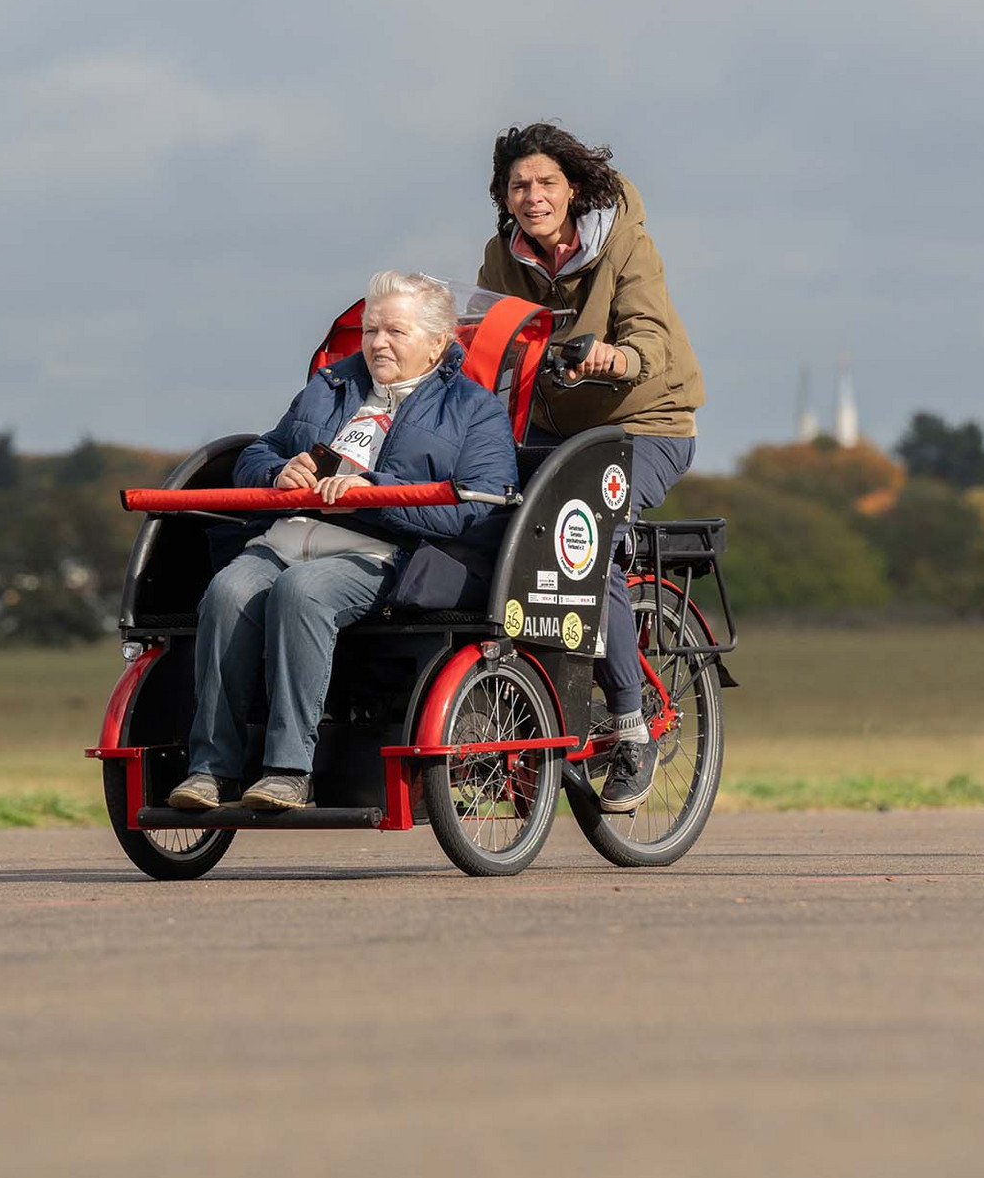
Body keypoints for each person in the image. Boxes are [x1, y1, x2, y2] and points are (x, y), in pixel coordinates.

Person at [168, 271, 518, 813]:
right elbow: (256, 454)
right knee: (227, 590)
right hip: (289, 535)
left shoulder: (475, 411)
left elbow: (481, 505)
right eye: (371, 329)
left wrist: (374, 491)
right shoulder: (328, 386)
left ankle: (288, 772)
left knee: (302, 592)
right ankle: (210, 771)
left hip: (380, 551)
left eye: (395, 332)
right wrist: (278, 472)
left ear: (438, 343)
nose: (378, 342)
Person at [478, 123, 704, 813]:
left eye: (546, 182)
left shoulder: (624, 241)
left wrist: (613, 357)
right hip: (555, 426)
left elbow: (653, 341)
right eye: (520, 184)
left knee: (586, 541)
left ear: (572, 188)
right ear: (505, 195)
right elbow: (490, 339)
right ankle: (520, 714)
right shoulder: (501, 256)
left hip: (645, 422)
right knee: (485, 526)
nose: (533, 195)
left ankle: (633, 730)